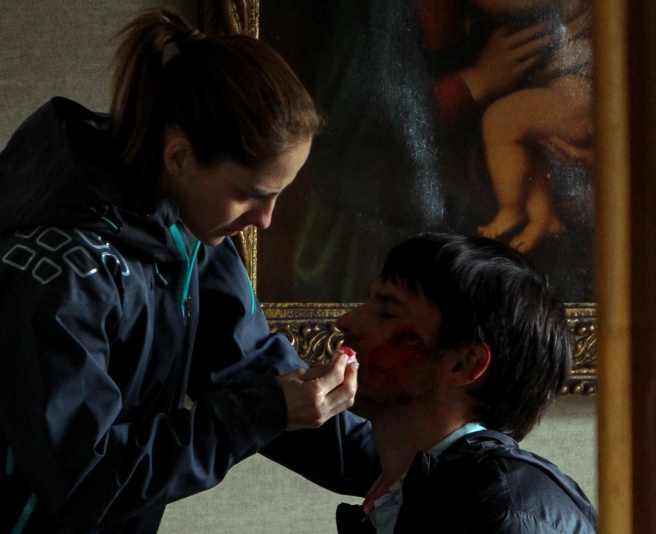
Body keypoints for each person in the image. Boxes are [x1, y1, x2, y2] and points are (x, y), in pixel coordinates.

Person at [0, 8, 378, 533]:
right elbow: (83, 479)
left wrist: (420, 465)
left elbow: (252, 373)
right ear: (179, 157)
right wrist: (260, 413)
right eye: (250, 194)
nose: (265, 221)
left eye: (279, 196)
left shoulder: (190, 229)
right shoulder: (62, 272)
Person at [334, 232, 598, 533]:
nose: (346, 321)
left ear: (464, 364)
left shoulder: (504, 514)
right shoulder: (418, 481)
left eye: (386, 313)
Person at [472, 0, 594, 253]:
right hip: (568, 95)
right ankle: (542, 219)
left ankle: (511, 208)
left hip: (577, 101)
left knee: (500, 120)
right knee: (529, 151)